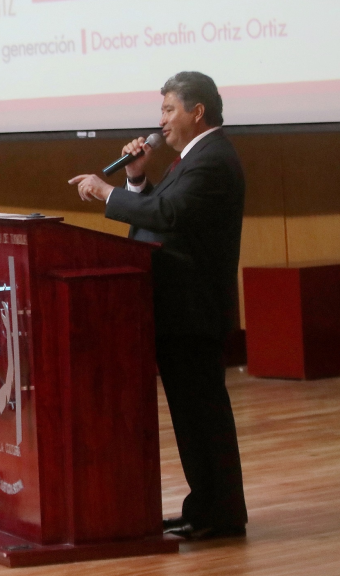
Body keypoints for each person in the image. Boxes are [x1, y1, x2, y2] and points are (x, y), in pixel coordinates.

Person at [69, 71, 247, 540]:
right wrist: (133, 178)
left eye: (169, 109)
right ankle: (206, 508)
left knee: (204, 418)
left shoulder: (211, 160)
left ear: (197, 111)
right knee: (193, 420)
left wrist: (106, 193)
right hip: (178, 311)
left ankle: (222, 515)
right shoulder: (189, 160)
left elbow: (167, 216)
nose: (161, 121)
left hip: (194, 310)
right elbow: (162, 217)